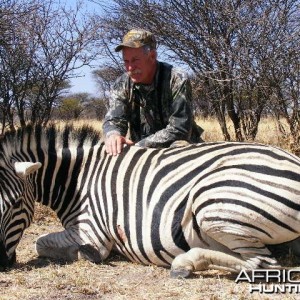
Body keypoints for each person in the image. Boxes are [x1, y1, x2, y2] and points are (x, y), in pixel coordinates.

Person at [103, 29, 203, 156]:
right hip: (143, 156)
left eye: (135, 60)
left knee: (178, 147)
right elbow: (114, 119)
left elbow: (180, 129)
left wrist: (138, 146)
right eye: (126, 61)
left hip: (178, 151)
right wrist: (113, 135)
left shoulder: (177, 79)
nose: (130, 68)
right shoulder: (122, 83)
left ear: (152, 56)